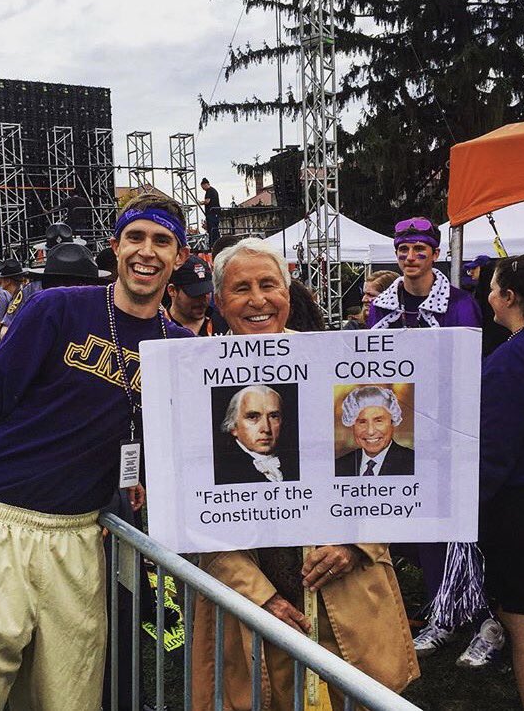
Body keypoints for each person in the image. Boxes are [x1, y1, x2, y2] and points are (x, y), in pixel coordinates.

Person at [0, 193, 192, 711]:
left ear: (181, 257)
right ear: (116, 248)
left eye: (162, 241)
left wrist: (134, 478)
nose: (146, 252)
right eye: (135, 238)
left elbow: (163, 440)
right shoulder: (57, 308)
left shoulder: (174, 346)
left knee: (70, 696)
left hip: (79, 537)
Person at [192, 237, 418, 711]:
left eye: (268, 284)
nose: (257, 300)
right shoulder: (191, 375)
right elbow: (188, 513)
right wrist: (261, 596)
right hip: (247, 600)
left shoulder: (337, 359)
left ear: (288, 294)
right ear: (218, 301)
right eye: (241, 288)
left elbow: (395, 487)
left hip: (343, 591)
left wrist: (357, 542)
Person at [368, 217, 485, 658]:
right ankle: (428, 606)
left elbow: (468, 366)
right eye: (404, 251)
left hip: (449, 427)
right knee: (407, 519)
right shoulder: (382, 306)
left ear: (435, 254)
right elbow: (372, 360)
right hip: (398, 424)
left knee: (449, 523)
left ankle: (459, 609)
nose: (411, 258)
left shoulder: (459, 304)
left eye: (419, 250)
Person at [479, 253, 524, 706]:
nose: (489, 297)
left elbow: (493, 449)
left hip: (521, 510)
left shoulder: (509, 360)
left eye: (493, 288)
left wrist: (469, 506)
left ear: (510, 297)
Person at [215, 385, 299, 484]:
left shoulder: (296, 463)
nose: (266, 429)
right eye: (253, 417)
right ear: (233, 426)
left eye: (274, 416)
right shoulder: (221, 470)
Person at [335, 386, 415, 476]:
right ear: (352, 425)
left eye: (378, 421)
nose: (370, 431)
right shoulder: (339, 466)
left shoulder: (414, 463)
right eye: (362, 422)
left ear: (392, 422)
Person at [166, 255, 214, 335]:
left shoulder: (224, 322)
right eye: (195, 294)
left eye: (206, 292)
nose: (203, 300)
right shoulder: (158, 327)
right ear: (172, 291)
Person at [0, 258, 27, 340]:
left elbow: (6, 329)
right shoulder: (22, 294)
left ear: (8, 281)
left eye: (2, 279)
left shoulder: (18, 298)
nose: (0, 281)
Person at [200, 177, 221, 248]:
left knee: (213, 229)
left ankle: (213, 244)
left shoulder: (209, 191)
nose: (203, 189)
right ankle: (215, 243)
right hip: (213, 213)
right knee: (213, 229)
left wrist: (200, 203)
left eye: (203, 187)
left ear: (205, 184)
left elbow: (207, 201)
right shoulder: (213, 190)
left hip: (212, 213)